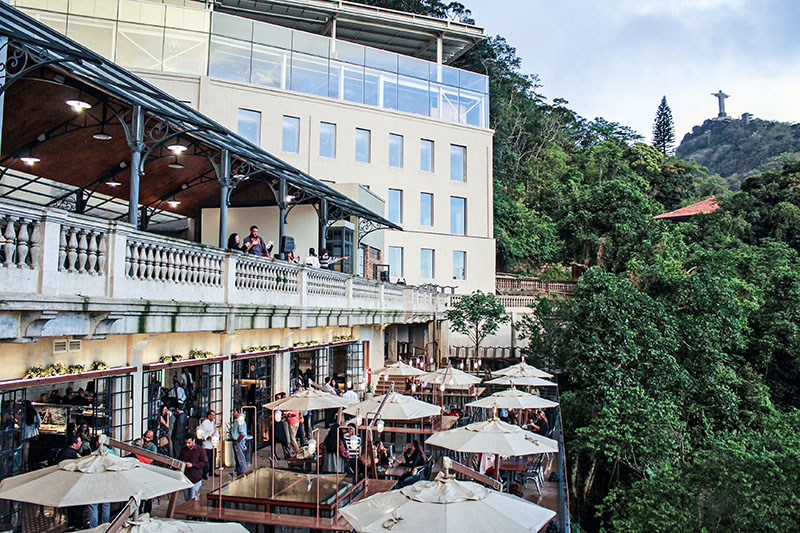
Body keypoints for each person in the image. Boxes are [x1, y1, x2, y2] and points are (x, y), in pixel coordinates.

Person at [58, 435, 84, 531]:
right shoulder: (72, 455)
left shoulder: (64, 452)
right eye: (79, 442)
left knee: (70, 505)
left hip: (66, 483)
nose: (81, 443)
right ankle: (77, 524)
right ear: (74, 444)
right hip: (72, 483)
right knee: (76, 505)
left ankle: (72, 523)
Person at [87, 436, 113, 528]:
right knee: (106, 504)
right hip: (107, 481)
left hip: (95, 482)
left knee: (93, 505)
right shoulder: (112, 453)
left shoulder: (94, 454)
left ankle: (93, 527)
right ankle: (105, 525)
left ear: (98, 443)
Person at [179, 436, 207, 501]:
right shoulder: (183, 450)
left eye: (189, 443)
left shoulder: (200, 450)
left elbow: (205, 463)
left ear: (194, 441)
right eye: (186, 443)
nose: (187, 445)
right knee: (186, 498)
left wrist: (193, 465)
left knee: (192, 498)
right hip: (186, 478)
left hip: (195, 478)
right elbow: (180, 459)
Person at [198, 410, 218, 479]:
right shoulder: (204, 423)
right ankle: (204, 473)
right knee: (207, 459)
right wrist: (207, 437)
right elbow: (201, 433)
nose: (214, 417)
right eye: (213, 415)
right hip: (206, 444)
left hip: (213, 443)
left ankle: (212, 471)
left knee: (213, 458)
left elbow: (215, 431)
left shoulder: (213, 423)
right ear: (209, 416)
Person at [22, 400, 40, 465]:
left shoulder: (22, 413)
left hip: (25, 434)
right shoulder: (35, 412)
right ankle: (32, 461)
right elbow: (39, 421)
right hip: (33, 433)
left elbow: (20, 424)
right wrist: (37, 426)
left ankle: (25, 462)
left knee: (26, 448)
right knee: (32, 447)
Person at [230, 408, 248, 476]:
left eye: (234, 411)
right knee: (237, 457)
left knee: (241, 457)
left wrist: (237, 441)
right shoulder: (236, 421)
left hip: (239, 442)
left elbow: (242, 434)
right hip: (236, 441)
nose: (233, 413)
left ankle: (243, 472)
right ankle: (238, 471)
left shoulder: (240, 421)